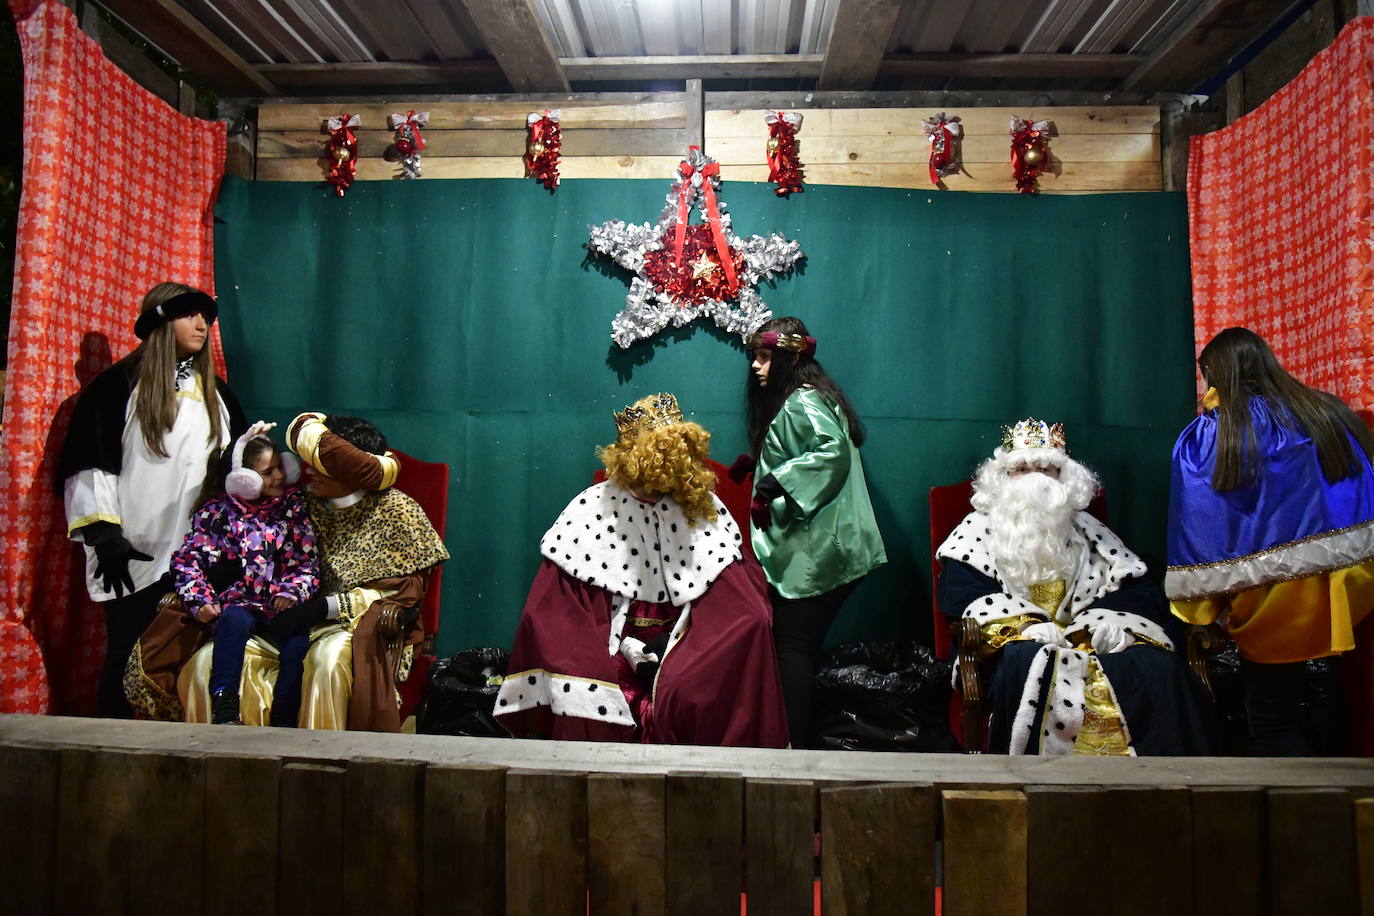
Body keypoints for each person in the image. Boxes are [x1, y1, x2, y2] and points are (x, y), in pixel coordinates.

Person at [495, 393, 789, 747]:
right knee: (590, 695)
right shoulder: (592, 510)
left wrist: (684, 655)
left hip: (683, 640)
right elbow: (553, 614)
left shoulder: (699, 506)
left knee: (700, 680)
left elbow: (742, 608)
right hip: (612, 643)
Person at [937, 418, 1215, 756]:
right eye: (1022, 468)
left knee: (1159, 668)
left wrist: (1111, 623)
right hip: (1017, 645)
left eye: (1047, 469)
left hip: (1091, 638)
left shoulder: (1088, 531)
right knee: (1027, 663)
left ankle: (1166, 778)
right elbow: (964, 595)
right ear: (1003, 478)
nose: (1035, 478)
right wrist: (1024, 627)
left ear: (1065, 478)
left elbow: (1135, 585)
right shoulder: (975, 532)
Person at [1167, 327, 1374, 755]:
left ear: (1213, 373)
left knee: (1272, 722)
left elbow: (1202, 523)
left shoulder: (1214, 432)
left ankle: (1294, 818)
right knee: (1334, 719)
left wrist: (1200, 612)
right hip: (1343, 594)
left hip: (1273, 603)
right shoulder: (1325, 413)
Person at [176, 412, 450, 729]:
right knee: (204, 664)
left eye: (319, 465)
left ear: (348, 470)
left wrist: (321, 608)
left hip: (356, 628)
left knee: (326, 661)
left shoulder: (398, 510)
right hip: (284, 619)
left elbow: (402, 595)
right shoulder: (297, 503)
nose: (306, 472)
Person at [59, 282, 244, 718]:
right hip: (137, 550)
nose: (202, 325)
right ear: (161, 321)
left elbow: (237, 470)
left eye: (207, 318)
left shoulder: (220, 397)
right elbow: (92, 463)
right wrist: (105, 537)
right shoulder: (116, 388)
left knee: (193, 659)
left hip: (203, 554)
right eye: (190, 315)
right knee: (130, 655)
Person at [742, 317, 886, 747]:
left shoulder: (801, 400)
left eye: (765, 357)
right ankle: (793, 744)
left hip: (823, 548)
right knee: (794, 644)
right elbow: (807, 450)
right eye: (755, 356)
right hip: (826, 544)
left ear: (789, 359)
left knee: (793, 646)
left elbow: (830, 451)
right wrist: (761, 468)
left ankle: (794, 749)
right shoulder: (809, 398)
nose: (755, 366)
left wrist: (773, 483)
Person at [169, 421, 318, 724]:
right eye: (267, 472)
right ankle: (224, 704)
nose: (278, 476)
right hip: (243, 602)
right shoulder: (218, 515)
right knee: (233, 621)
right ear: (244, 479)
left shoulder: (294, 508)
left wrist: (292, 591)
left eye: (279, 468)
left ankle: (284, 722)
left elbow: (307, 563)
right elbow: (186, 561)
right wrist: (201, 600)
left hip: (283, 605)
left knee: (298, 647)